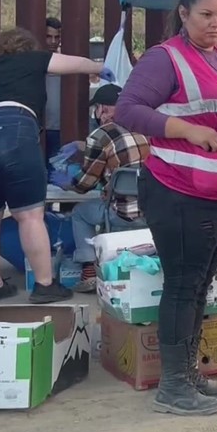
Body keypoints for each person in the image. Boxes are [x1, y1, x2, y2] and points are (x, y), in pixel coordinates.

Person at [116, 0, 217, 417]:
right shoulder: (165, 59)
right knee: (183, 286)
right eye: (206, 15)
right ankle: (174, 387)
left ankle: (186, 374)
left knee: (199, 285)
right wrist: (187, 130)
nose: (216, 24)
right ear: (183, 14)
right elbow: (128, 110)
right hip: (178, 192)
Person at [0, 28, 112, 304]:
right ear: (24, 47)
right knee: (29, 216)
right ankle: (44, 285)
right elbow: (74, 64)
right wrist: (102, 68)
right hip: (11, 129)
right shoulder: (32, 59)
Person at [50, 84, 150, 293]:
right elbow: (123, 146)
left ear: (102, 109)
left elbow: (84, 185)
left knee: (80, 213)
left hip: (122, 213)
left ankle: (89, 271)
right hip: (154, 211)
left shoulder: (100, 135)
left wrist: (65, 182)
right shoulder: (147, 126)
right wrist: (82, 145)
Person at [43, 17, 64, 163]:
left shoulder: (65, 62)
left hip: (59, 128)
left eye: (57, 37)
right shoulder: (32, 63)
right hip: (39, 128)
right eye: (48, 36)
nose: (53, 41)